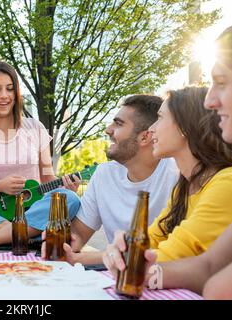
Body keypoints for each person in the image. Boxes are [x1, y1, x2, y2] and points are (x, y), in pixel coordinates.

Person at [104, 26, 232, 300]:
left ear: (185, 128)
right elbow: (153, 244)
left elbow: (179, 256)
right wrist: (122, 253)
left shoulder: (226, 183)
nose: (150, 131)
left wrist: (134, 265)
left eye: (159, 119)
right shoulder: (183, 188)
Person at [0, 61, 81, 250]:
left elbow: (48, 178)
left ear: (17, 93)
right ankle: (25, 234)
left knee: (69, 198)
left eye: (10, 89)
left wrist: (68, 185)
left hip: (31, 208)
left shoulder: (35, 128)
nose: (4, 96)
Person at [43, 95, 180, 265]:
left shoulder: (177, 176)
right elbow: (78, 234)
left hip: (160, 278)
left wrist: (81, 258)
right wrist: (63, 242)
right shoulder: (103, 174)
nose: (108, 129)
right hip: (115, 275)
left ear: (145, 137)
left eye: (119, 123)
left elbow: (172, 252)